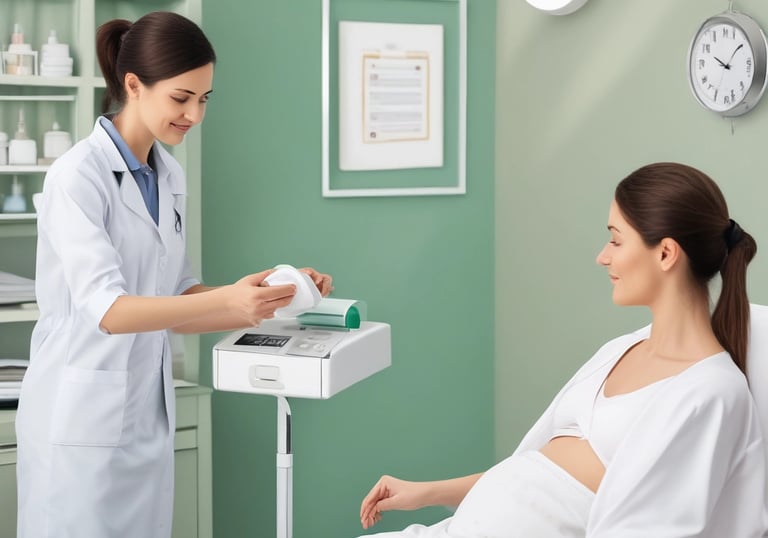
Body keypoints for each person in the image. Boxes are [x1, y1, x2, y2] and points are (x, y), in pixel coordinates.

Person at [14, 11, 332, 538]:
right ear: (134, 86)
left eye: (204, 100)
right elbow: (110, 312)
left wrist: (271, 288)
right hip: (78, 423)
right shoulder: (77, 176)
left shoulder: (168, 173)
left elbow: (180, 298)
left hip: (143, 416)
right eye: (181, 98)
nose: (194, 115)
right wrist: (228, 303)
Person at [358, 162, 767, 537]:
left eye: (615, 241)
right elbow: (542, 470)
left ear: (665, 253)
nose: (602, 257)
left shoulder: (709, 393)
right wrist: (425, 492)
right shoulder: (621, 350)